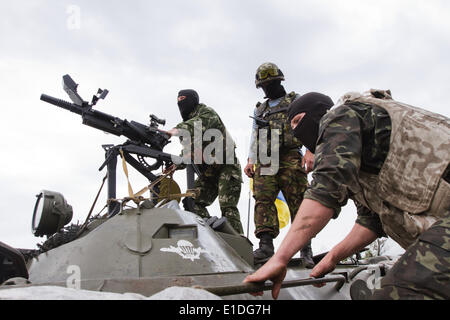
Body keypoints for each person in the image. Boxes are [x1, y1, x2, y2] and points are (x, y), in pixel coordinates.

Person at [244, 90, 450, 300]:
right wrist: (333, 257)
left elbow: (325, 190)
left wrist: (280, 258)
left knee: (399, 293)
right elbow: (371, 221)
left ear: (319, 113)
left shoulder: (340, 117)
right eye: (292, 127)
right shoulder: (362, 166)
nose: (296, 132)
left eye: (298, 121)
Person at [244, 62, 315, 267]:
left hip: (291, 156)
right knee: (263, 199)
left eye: (271, 83)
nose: (267, 87)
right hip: (265, 159)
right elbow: (254, 135)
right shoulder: (260, 109)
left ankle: (305, 248)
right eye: (264, 85)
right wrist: (250, 160)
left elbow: (311, 125)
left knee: (299, 202)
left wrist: (311, 149)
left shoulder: (296, 101)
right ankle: (266, 246)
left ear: (279, 81)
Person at [165, 89, 244, 234]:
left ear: (193, 100)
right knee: (192, 201)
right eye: (178, 99)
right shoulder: (187, 125)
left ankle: (238, 242)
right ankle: (212, 234)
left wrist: (175, 130)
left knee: (228, 206)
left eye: (183, 98)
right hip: (208, 172)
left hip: (226, 166)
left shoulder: (207, 113)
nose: (180, 102)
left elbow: (198, 124)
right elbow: (188, 153)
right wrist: (175, 164)